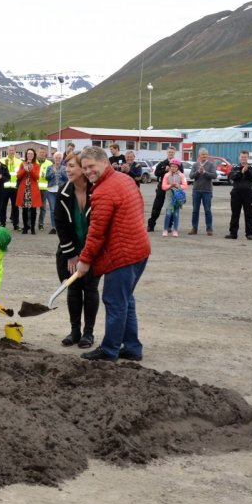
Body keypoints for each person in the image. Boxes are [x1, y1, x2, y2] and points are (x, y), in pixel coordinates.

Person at [76, 146, 152, 362]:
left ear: (104, 162)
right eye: (85, 168)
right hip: (140, 250)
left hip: (124, 255)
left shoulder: (103, 191)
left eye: (91, 166)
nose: (89, 171)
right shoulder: (125, 179)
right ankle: (132, 348)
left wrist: (85, 261)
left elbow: (96, 233)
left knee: (115, 301)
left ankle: (109, 350)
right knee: (126, 300)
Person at [54, 152, 100, 348]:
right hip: (70, 251)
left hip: (92, 250)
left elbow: (99, 225)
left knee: (90, 289)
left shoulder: (97, 190)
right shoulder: (63, 192)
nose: (68, 169)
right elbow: (60, 225)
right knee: (72, 289)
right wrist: (71, 255)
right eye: (67, 165)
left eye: (72, 166)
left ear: (83, 168)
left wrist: (87, 254)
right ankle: (74, 331)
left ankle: (88, 333)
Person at [226, 150, 252, 240]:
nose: (243, 158)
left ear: (248, 158)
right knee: (235, 214)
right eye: (242, 157)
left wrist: (247, 171)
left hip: (248, 194)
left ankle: (249, 234)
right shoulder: (235, 167)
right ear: (239, 157)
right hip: (236, 193)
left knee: (249, 214)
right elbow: (233, 176)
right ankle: (233, 233)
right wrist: (241, 172)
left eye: (245, 157)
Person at [146, 147, 178, 232]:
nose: (171, 153)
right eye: (169, 152)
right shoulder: (162, 163)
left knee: (171, 206)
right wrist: (165, 169)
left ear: (174, 153)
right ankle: (151, 225)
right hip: (162, 187)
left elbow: (181, 173)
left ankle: (169, 226)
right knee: (157, 206)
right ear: (167, 153)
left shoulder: (177, 163)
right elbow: (156, 173)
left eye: (172, 152)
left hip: (172, 188)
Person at [189, 149, 216, 235]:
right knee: (195, 211)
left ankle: (209, 228)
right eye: (202, 154)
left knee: (207, 210)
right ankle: (194, 228)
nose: (204, 156)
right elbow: (191, 176)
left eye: (206, 154)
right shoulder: (195, 165)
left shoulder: (211, 165)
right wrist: (198, 172)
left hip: (207, 191)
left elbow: (214, 175)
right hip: (196, 191)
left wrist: (204, 172)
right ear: (199, 155)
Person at [15, 148, 42, 235]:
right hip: (24, 189)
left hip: (32, 190)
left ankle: (33, 228)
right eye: (28, 154)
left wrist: (31, 169)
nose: (30, 155)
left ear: (34, 155)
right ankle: (25, 227)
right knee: (24, 209)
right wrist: (24, 169)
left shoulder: (37, 165)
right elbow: (18, 176)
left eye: (31, 154)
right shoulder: (22, 164)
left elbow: (36, 177)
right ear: (26, 155)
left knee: (33, 209)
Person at [161, 159, 189, 237]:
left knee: (176, 214)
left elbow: (185, 185)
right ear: (170, 167)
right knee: (168, 213)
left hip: (177, 197)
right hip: (169, 196)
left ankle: (175, 230)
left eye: (175, 167)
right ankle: (165, 229)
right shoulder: (167, 175)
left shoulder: (181, 175)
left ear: (178, 167)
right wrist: (170, 186)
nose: (173, 168)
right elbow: (163, 186)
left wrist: (178, 186)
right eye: (172, 166)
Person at [2, 145, 21, 230]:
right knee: (3, 207)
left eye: (13, 150)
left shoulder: (19, 161)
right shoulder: (2, 160)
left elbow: (20, 175)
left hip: (14, 188)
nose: (11, 152)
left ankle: (16, 225)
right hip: (4, 187)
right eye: (10, 150)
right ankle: (2, 224)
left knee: (15, 207)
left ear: (15, 151)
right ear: (7, 151)